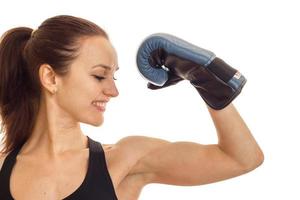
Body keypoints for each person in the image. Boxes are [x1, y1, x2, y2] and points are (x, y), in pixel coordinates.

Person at [0, 15, 264, 200]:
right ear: (50, 78)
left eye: (113, 77)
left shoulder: (125, 160)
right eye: (99, 75)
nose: (113, 91)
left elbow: (243, 159)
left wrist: (206, 81)